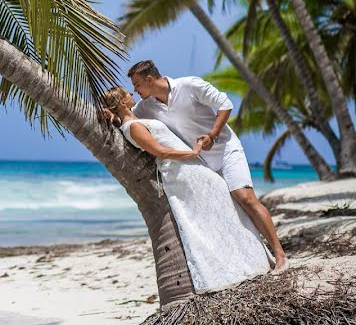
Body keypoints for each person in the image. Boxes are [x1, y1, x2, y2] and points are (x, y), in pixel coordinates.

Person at [103, 86, 271, 292]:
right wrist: (192, 154)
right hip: (182, 172)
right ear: (121, 102)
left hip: (191, 169)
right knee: (206, 219)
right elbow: (161, 151)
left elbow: (124, 117)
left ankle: (253, 257)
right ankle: (233, 265)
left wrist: (112, 113)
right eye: (128, 92)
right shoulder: (132, 126)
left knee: (224, 210)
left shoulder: (133, 117)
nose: (132, 92)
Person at [126, 60, 288, 272]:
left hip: (227, 149)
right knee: (224, 211)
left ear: (149, 79)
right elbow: (129, 116)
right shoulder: (146, 106)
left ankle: (280, 255)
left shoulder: (189, 85)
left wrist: (212, 135)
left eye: (137, 84)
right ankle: (250, 258)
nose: (135, 90)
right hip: (200, 162)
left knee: (245, 199)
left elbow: (225, 103)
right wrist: (109, 113)